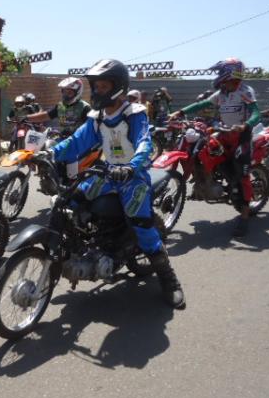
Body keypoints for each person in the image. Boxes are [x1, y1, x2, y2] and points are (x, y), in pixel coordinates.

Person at [44, 59, 185, 309]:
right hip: (107, 174)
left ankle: (169, 280)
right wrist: (51, 153)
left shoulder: (134, 113)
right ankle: (68, 253)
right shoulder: (96, 117)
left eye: (103, 85)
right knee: (68, 200)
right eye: (95, 86)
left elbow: (144, 143)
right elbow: (77, 141)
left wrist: (132, 166)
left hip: (133, 176)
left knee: (141, 224)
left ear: (117, 86)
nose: (98, 91)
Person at [169, 57, 260, 237]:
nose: (218, 76)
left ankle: (244, 215)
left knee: (242, 174)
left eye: (220, 72)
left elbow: (257, 112)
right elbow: (203, 104)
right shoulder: (223, 93)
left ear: (231, 72)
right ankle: (205, 182)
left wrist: (246, 125)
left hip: (241, 137)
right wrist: (181, 112)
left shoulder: (244, 91)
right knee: (205, 150)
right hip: (224, 134)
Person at [26, 77, 91, 137]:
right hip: (63, 139)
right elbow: (46, 115)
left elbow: (90, 128)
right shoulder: (60, 106)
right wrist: (26, 118)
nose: (66, 95)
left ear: (77, 92)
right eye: (64, 92)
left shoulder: (85, 108)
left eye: (69, 92)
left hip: (78, 142)